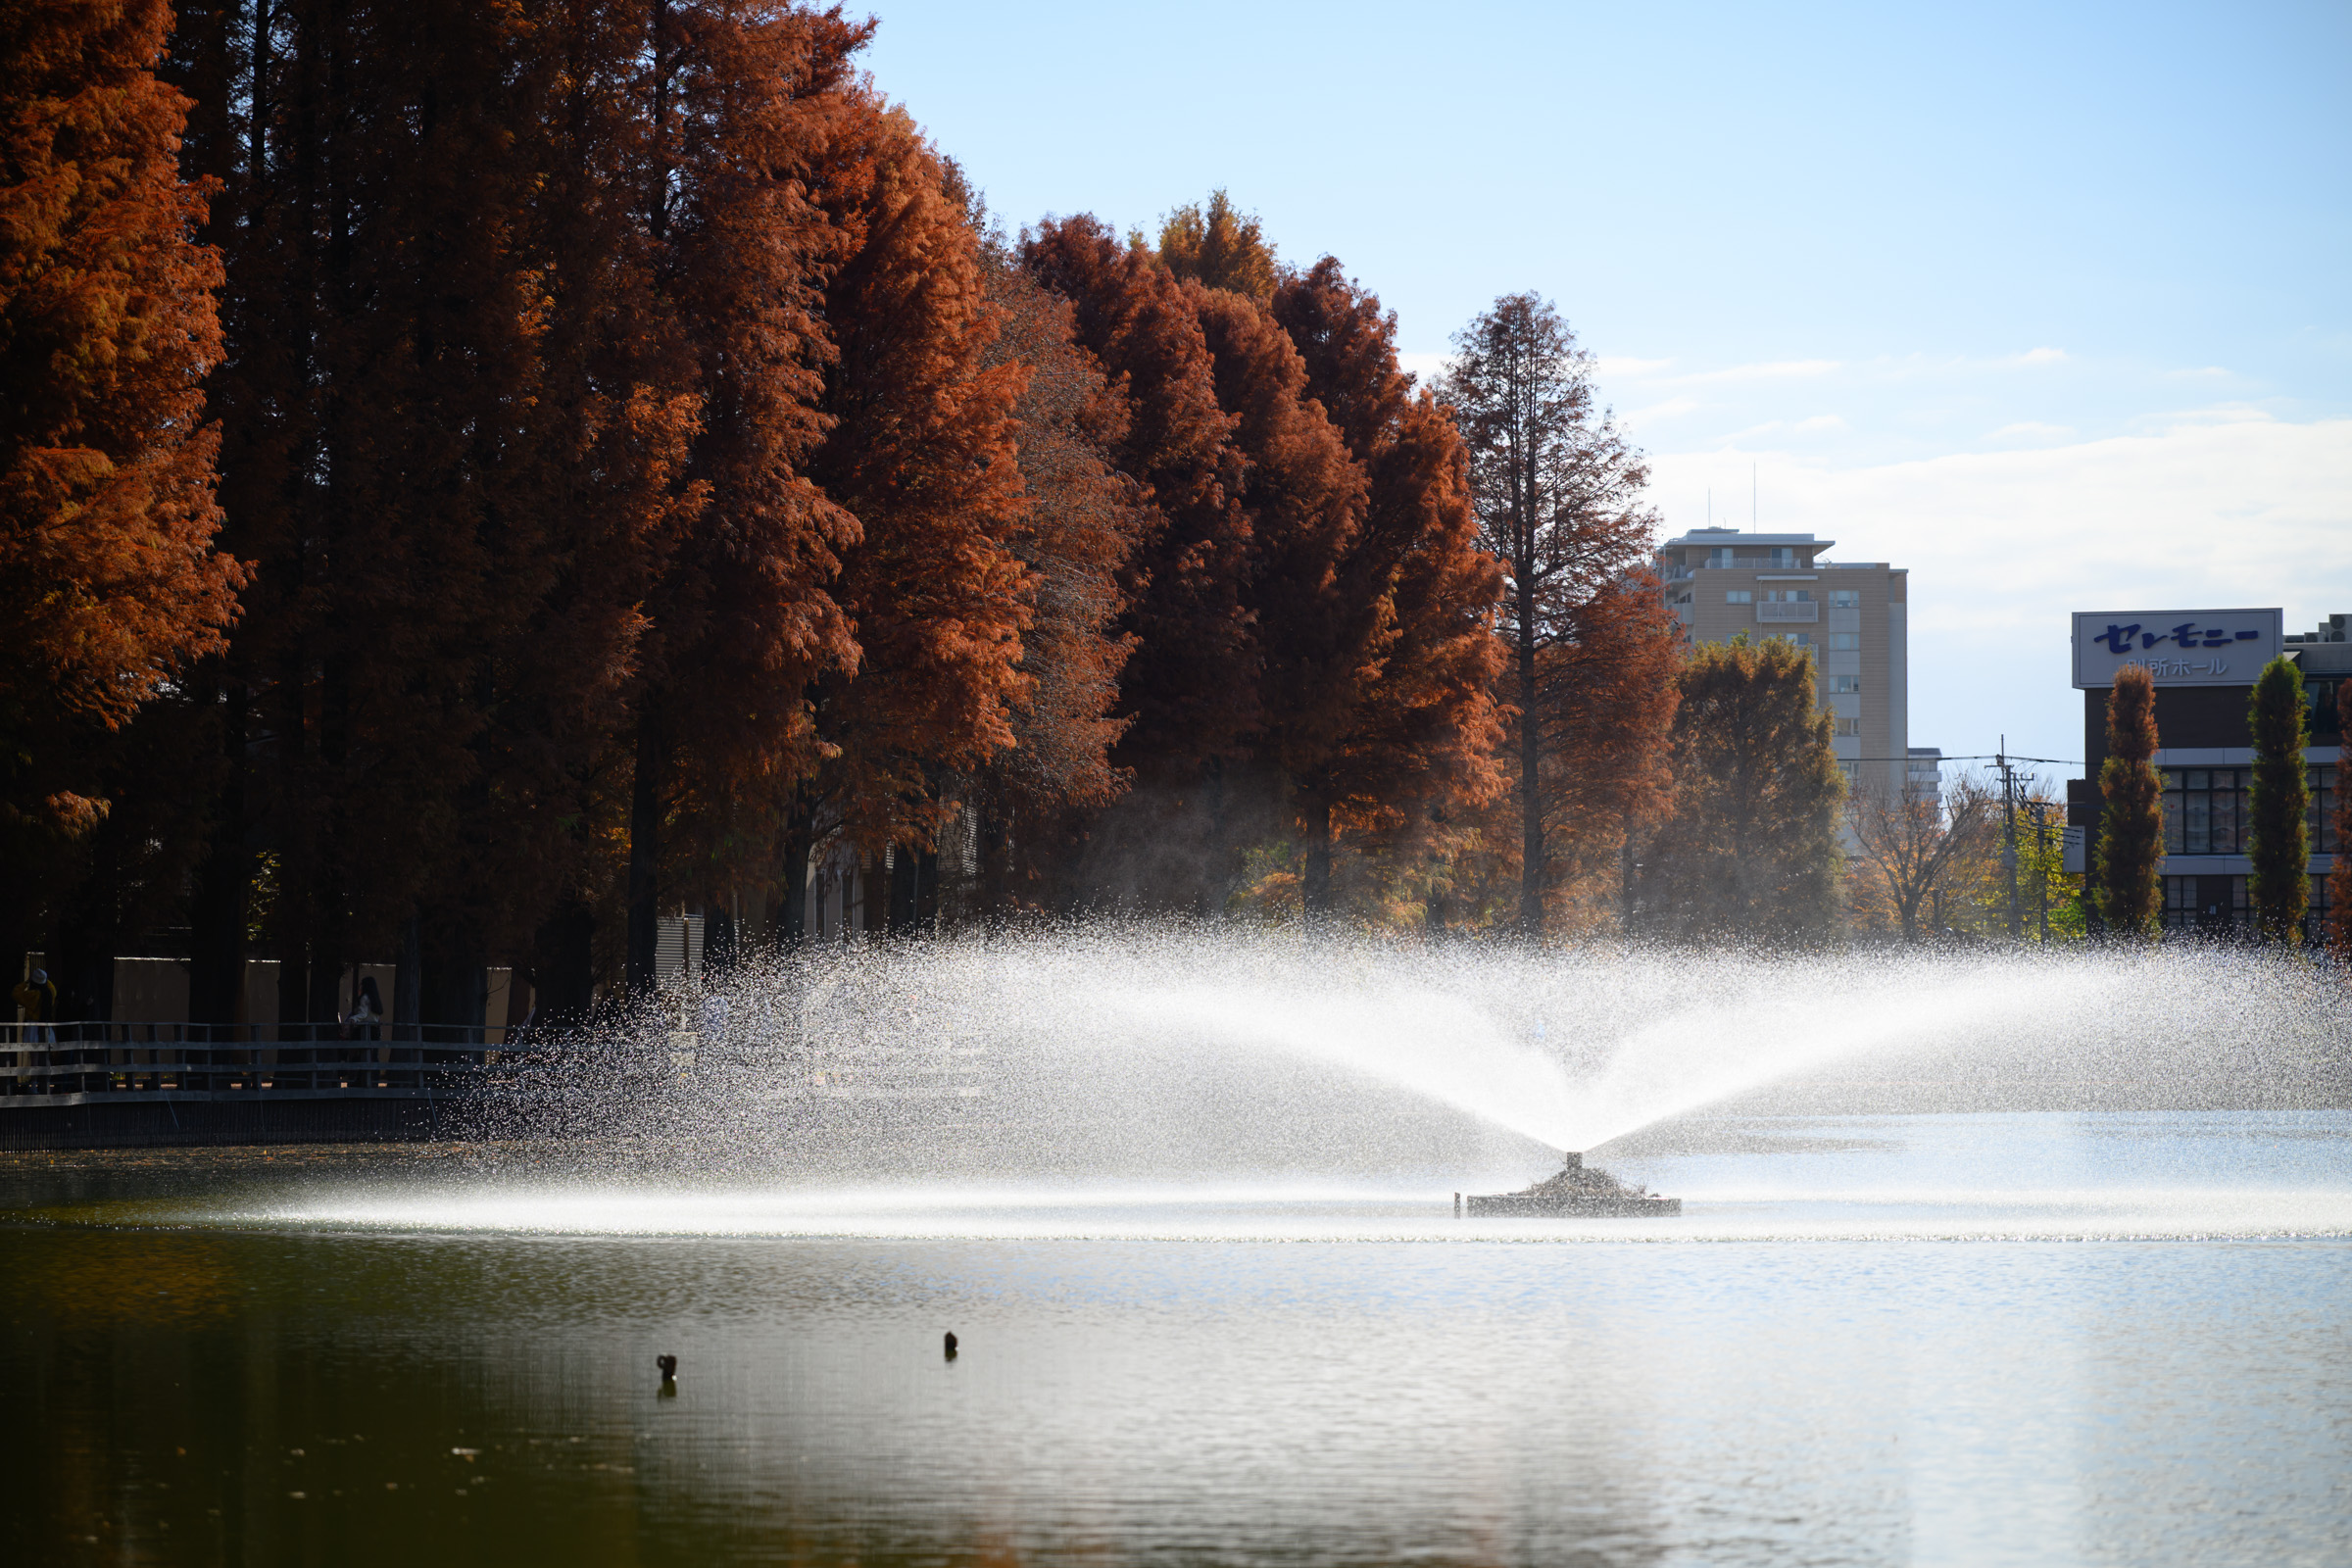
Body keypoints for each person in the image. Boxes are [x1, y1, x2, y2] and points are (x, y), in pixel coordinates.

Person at [12, 967, 57, 1044]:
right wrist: (44, 979)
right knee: (46, 1051)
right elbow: (52, 987)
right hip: (46, 1025)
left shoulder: (32, 995)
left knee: (34, 1052)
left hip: (32, 1027)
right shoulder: (51, 993)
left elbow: (15, 993)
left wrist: (26, 982)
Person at [347, 975, 384, 1044]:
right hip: (375, 1030)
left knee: (352, 1043)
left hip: (364, 1030)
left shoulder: (364, 998)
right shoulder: (375, 999)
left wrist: (353, 1018)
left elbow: (363, 1014)